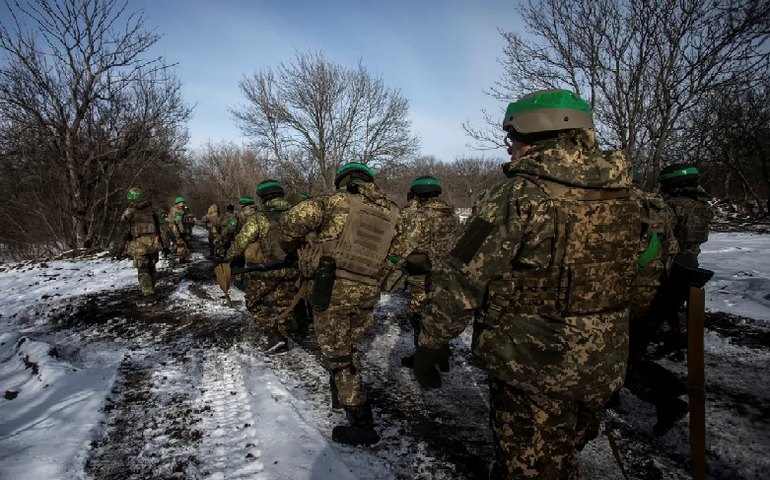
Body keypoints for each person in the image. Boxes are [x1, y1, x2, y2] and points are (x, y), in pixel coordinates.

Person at [414, 90, 639, 479]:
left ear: (534, 136)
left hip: (533, 361)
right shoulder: (630, 193)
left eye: (512, 139)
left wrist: (431, 342)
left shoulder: (517, 194)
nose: (510, 150)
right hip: (605, 358)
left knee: (533, 463)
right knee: (565, 445)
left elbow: (462, 278)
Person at [279, 162, 399, 447]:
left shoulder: (333, 201)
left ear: (343, 181)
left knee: (339, 356)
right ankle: (342, 390)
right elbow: (399, 252)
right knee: (347, 345)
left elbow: (289, 224)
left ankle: (362, 425)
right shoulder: (394, 212)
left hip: (331, 288)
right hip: (368, 291)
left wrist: (291, 247)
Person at [619, 169, 688, 436]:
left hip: (631, 292)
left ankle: (666, 397)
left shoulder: (620, 205)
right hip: (658, 287)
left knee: (616, 356)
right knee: (627, 351)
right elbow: (672, 246)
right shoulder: (656, 204)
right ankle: (668, 389)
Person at [389, 176, 459, 368]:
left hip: (423, 274)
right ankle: (442, 354)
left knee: (419, 315)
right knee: (439, 313)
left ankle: (423, 357)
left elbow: (405, 246)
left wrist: (392, 260)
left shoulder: (419, 215)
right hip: (447, 273)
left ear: (416, 193)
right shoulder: (450, 214)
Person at [117, 187, 165, 296]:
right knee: (151, 267)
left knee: (143, 269)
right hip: (153, 243)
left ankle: (148, 292)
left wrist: (120, 249)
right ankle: (151, 288)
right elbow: (160, 228)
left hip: (139, 245)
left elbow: (124, 232)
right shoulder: (152, 210)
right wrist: (163, 243)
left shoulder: (129, 212)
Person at [168, 196, 190, 262]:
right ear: (177, 203)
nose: (183, 204)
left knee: (177, 244)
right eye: (182, 202)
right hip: (177, 231)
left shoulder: (179, 210)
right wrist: (181, 232)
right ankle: (181, 258)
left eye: (183, 202)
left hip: (177, 230)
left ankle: (173, 256)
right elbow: (178, 222)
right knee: (181, 244)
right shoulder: (177, 211)